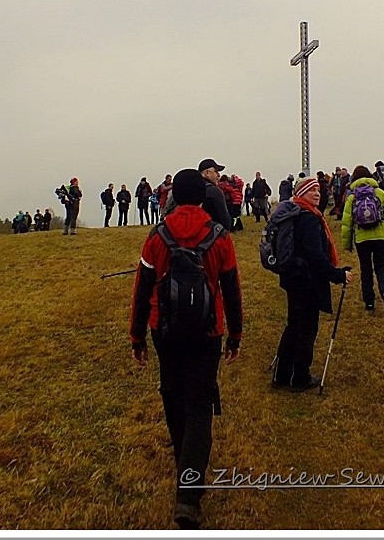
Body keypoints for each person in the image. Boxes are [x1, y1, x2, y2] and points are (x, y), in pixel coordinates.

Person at [129, 168, 242, 530]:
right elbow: (231, 288)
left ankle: (184, 462)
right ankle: (188, 493)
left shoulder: (157, 235)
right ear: (205, 196)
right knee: (200, 404)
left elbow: (142, 289)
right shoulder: (219, 236)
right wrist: (235, 334)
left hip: (164, 329)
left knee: (173, 394)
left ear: (174, 195)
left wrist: (137, 336)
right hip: (208, 331)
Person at [271, 177, 353, 391]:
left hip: (293, 278)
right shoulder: (308, 218)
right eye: (311, 190)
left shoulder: (294, 214)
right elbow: (315, 256)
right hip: (307, 281)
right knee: (306, 329)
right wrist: (338, 275)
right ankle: (300, 378)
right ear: (301, 194)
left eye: (318, 190)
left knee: (293, 326)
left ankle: (282, 376)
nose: (317, 193)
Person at [341, 165, 384, 313]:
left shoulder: (352, 197)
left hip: (362, 239)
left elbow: (347, 223)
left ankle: (369, 303)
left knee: (365, 269)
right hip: (381, 236)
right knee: (381, 267)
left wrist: (347, 244)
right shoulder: (379, 193)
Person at [198, 159, 233, 231]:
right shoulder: (215, 192)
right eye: (216, 171)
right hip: (212, 234)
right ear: (207, 173)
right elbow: (225, 222)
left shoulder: (190, 190)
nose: (219, 175)